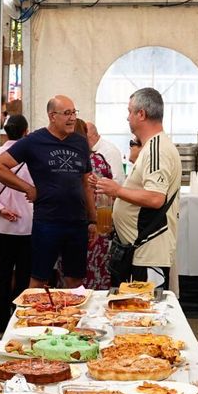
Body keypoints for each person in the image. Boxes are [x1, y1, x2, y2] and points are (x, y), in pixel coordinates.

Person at [0, 95, 93, 288]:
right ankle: (32, 318)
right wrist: (28, 188)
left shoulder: (80, 142)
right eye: (67, 113)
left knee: (76, 280)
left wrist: (93, 219)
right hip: (48, 222)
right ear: (52, 116)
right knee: (39, 279)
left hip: (77, 222)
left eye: (74, 113)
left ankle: (74, 318)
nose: (72, 118)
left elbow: (85, 184)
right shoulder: (34, 141)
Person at [95, 87, 181, 286]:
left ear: (141, 114)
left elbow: (155, 198)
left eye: (129, 111)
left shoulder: (156, 149)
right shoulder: (152, 146)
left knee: (146, 311)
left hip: (148, 250)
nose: (127, 118)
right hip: (140, 249)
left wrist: (116, 190)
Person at [0, 114, 34, 329]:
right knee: (24, 277)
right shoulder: (31, 157)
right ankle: (19, 322)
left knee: (1, 276)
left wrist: (1, 209)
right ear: (26, 132)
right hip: (28, 225)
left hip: (2, 226)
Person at [78, 119, 118, 289]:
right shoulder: (100, 160)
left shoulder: (70, 162)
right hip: (100, 224)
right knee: (97, 276)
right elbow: (111, 193)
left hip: (75, 224)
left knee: (72, 279)